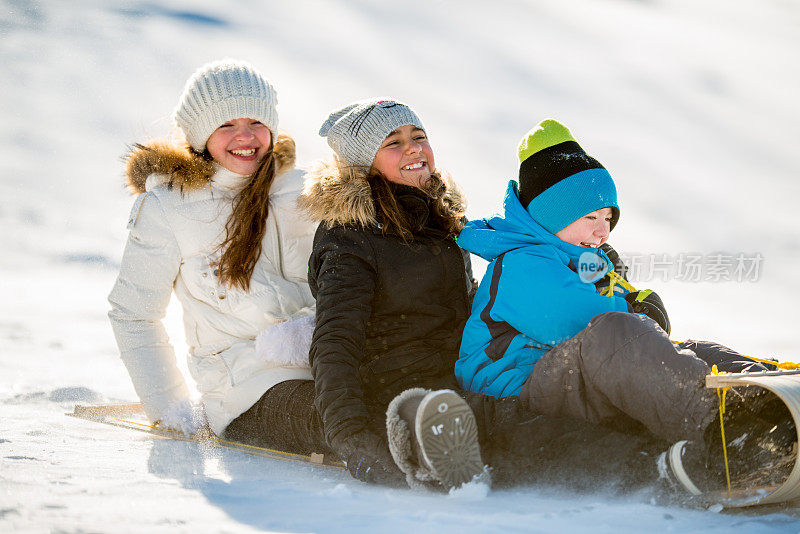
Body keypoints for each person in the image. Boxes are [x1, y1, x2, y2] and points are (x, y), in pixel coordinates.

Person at [300, 100, 694, 496]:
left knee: (545, 407)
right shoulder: (349, 238)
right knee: (514, 427)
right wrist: (348, 434)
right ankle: (658, 469)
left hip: (462, 374)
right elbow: (335, 339)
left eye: (419, 137)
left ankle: (686, 438)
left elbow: (471, 301)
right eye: (394, 143)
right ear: (363, 164)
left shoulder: (438, 224)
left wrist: (584, 269)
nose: (414, 148)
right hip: (398, 384)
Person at [452, 118, 793, 494]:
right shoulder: (521, 263)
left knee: (691, 351)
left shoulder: (580, 259)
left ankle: (771, 397)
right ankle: (726, 431)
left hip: (571, 375)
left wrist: (635, 309)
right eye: (591, 218)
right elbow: (582, 323)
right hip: (519, 390)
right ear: (551, 218)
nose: (604, 231)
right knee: (617, 335)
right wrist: (638, 312)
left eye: (608, 218)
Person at [108, 59, 328, 456]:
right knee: (339, 416)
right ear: (199, 134)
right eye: (225, 124)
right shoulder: (168, 207)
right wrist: (172, 409)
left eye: (256, 122)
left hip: (331, 368)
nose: (245, 137)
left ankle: (466, 425)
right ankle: (421, 438)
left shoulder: (305, 192)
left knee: (382, 392)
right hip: (245, 391)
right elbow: (134, 313)